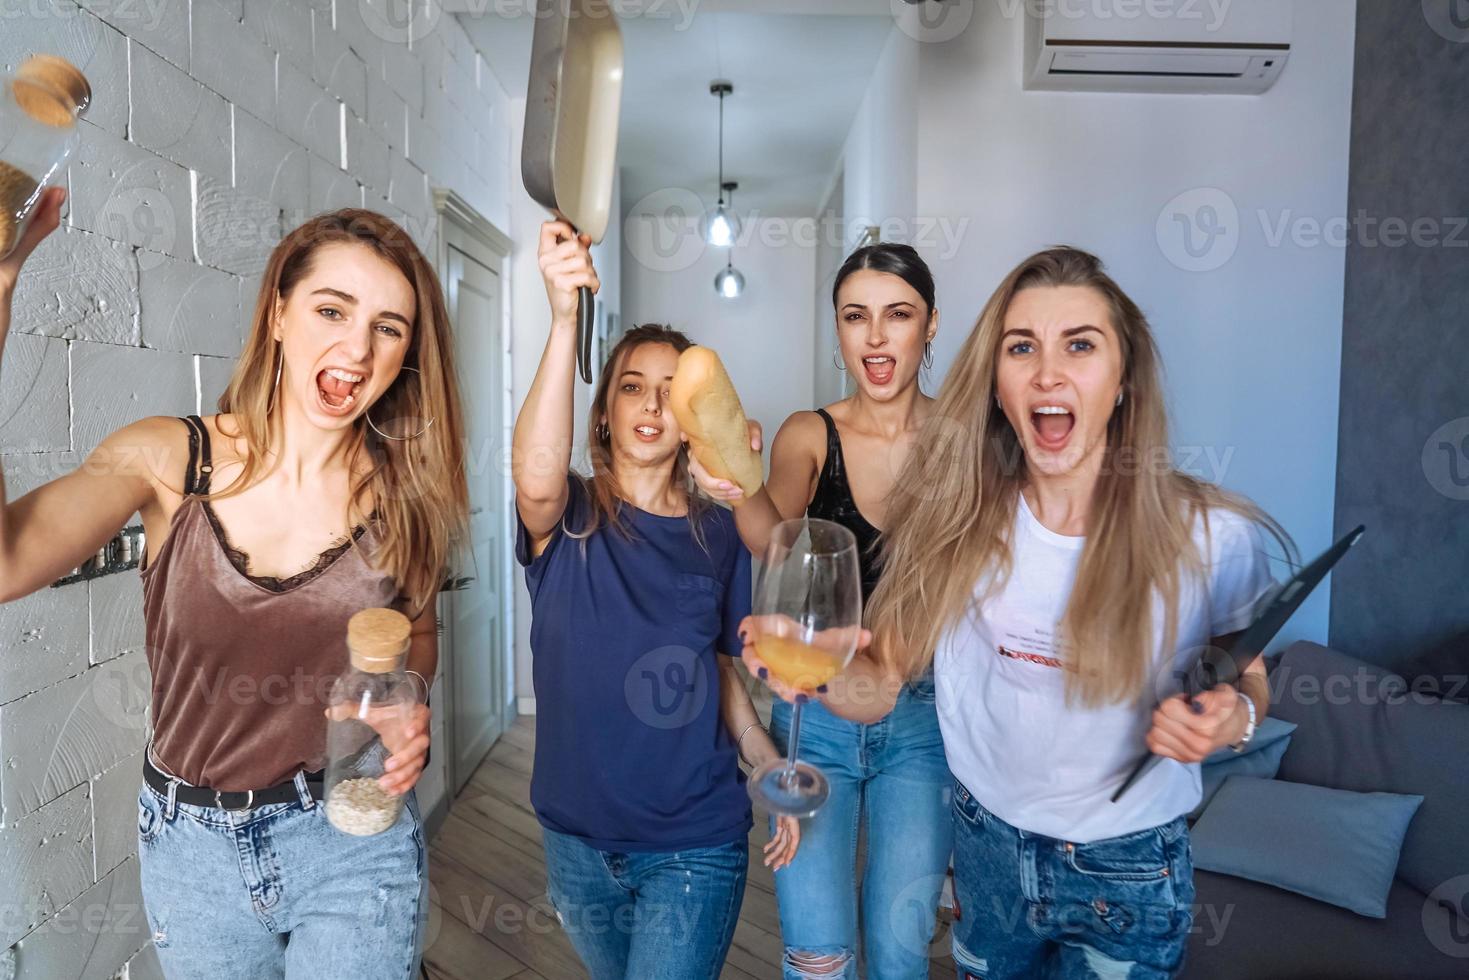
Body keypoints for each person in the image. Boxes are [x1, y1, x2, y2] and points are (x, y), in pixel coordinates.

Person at [743, 246, 1293, 979]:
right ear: (997, 383)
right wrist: (810, 667)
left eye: (1080, 345)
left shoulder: (1209, 535)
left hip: (1126, 868)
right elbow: (878, 692)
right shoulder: (959, 524)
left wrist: (1234, 717)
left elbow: (1246, 672)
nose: (1047, 373)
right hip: (988, 855)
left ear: (1124, 377)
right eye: (1021, 346)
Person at [0, 188, 467, 978]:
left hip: (353, 839)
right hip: (192, 852)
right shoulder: (165, 459)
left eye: (388, 328)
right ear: (279, 313)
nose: (357, 348)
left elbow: (415, 630)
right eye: (332, 310)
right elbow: (6, 563)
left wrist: (409, 691)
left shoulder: (407, 499)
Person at [512, 221, 799, 980]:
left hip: (692, 839)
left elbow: (718, 667)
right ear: (602, 411)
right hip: (573, 837)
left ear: (690, 423)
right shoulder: (565, 516)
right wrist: (563, 315)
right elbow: (535, 474)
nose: (650, 405)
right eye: (632, 386)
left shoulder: (718, 532)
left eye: (673, 394)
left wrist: (762, 756)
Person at [693, 242, 954, 979]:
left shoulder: (961, 441)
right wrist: (734, 475)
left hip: (922, 715)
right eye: (855, 317)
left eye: (897, 316)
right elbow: (771, 537)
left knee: (902, 952)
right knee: (816, 952)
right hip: (814, 715)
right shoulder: (811, 433)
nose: (875, 337)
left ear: (929, 325)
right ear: (837, 328)